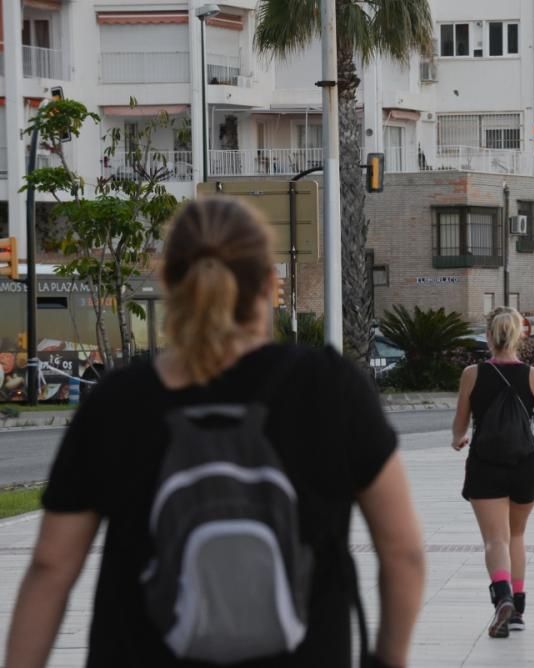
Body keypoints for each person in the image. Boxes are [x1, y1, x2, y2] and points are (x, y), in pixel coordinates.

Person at [5, 197, 426, 668]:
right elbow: (403, 552)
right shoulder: (329, 387)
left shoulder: (117, 401)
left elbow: (51, 567)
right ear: (269, 284)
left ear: (168, 284)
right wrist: (386, 660)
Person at [451, 306, 534, 638]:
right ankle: (518, 610)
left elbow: (461, 423)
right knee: (517, 536)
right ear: (522, 335)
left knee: (496, 539)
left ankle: (502, 597)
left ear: (489, 336)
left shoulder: (471, 374)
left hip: (485, 465)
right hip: (526, 466)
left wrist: (457, 438)